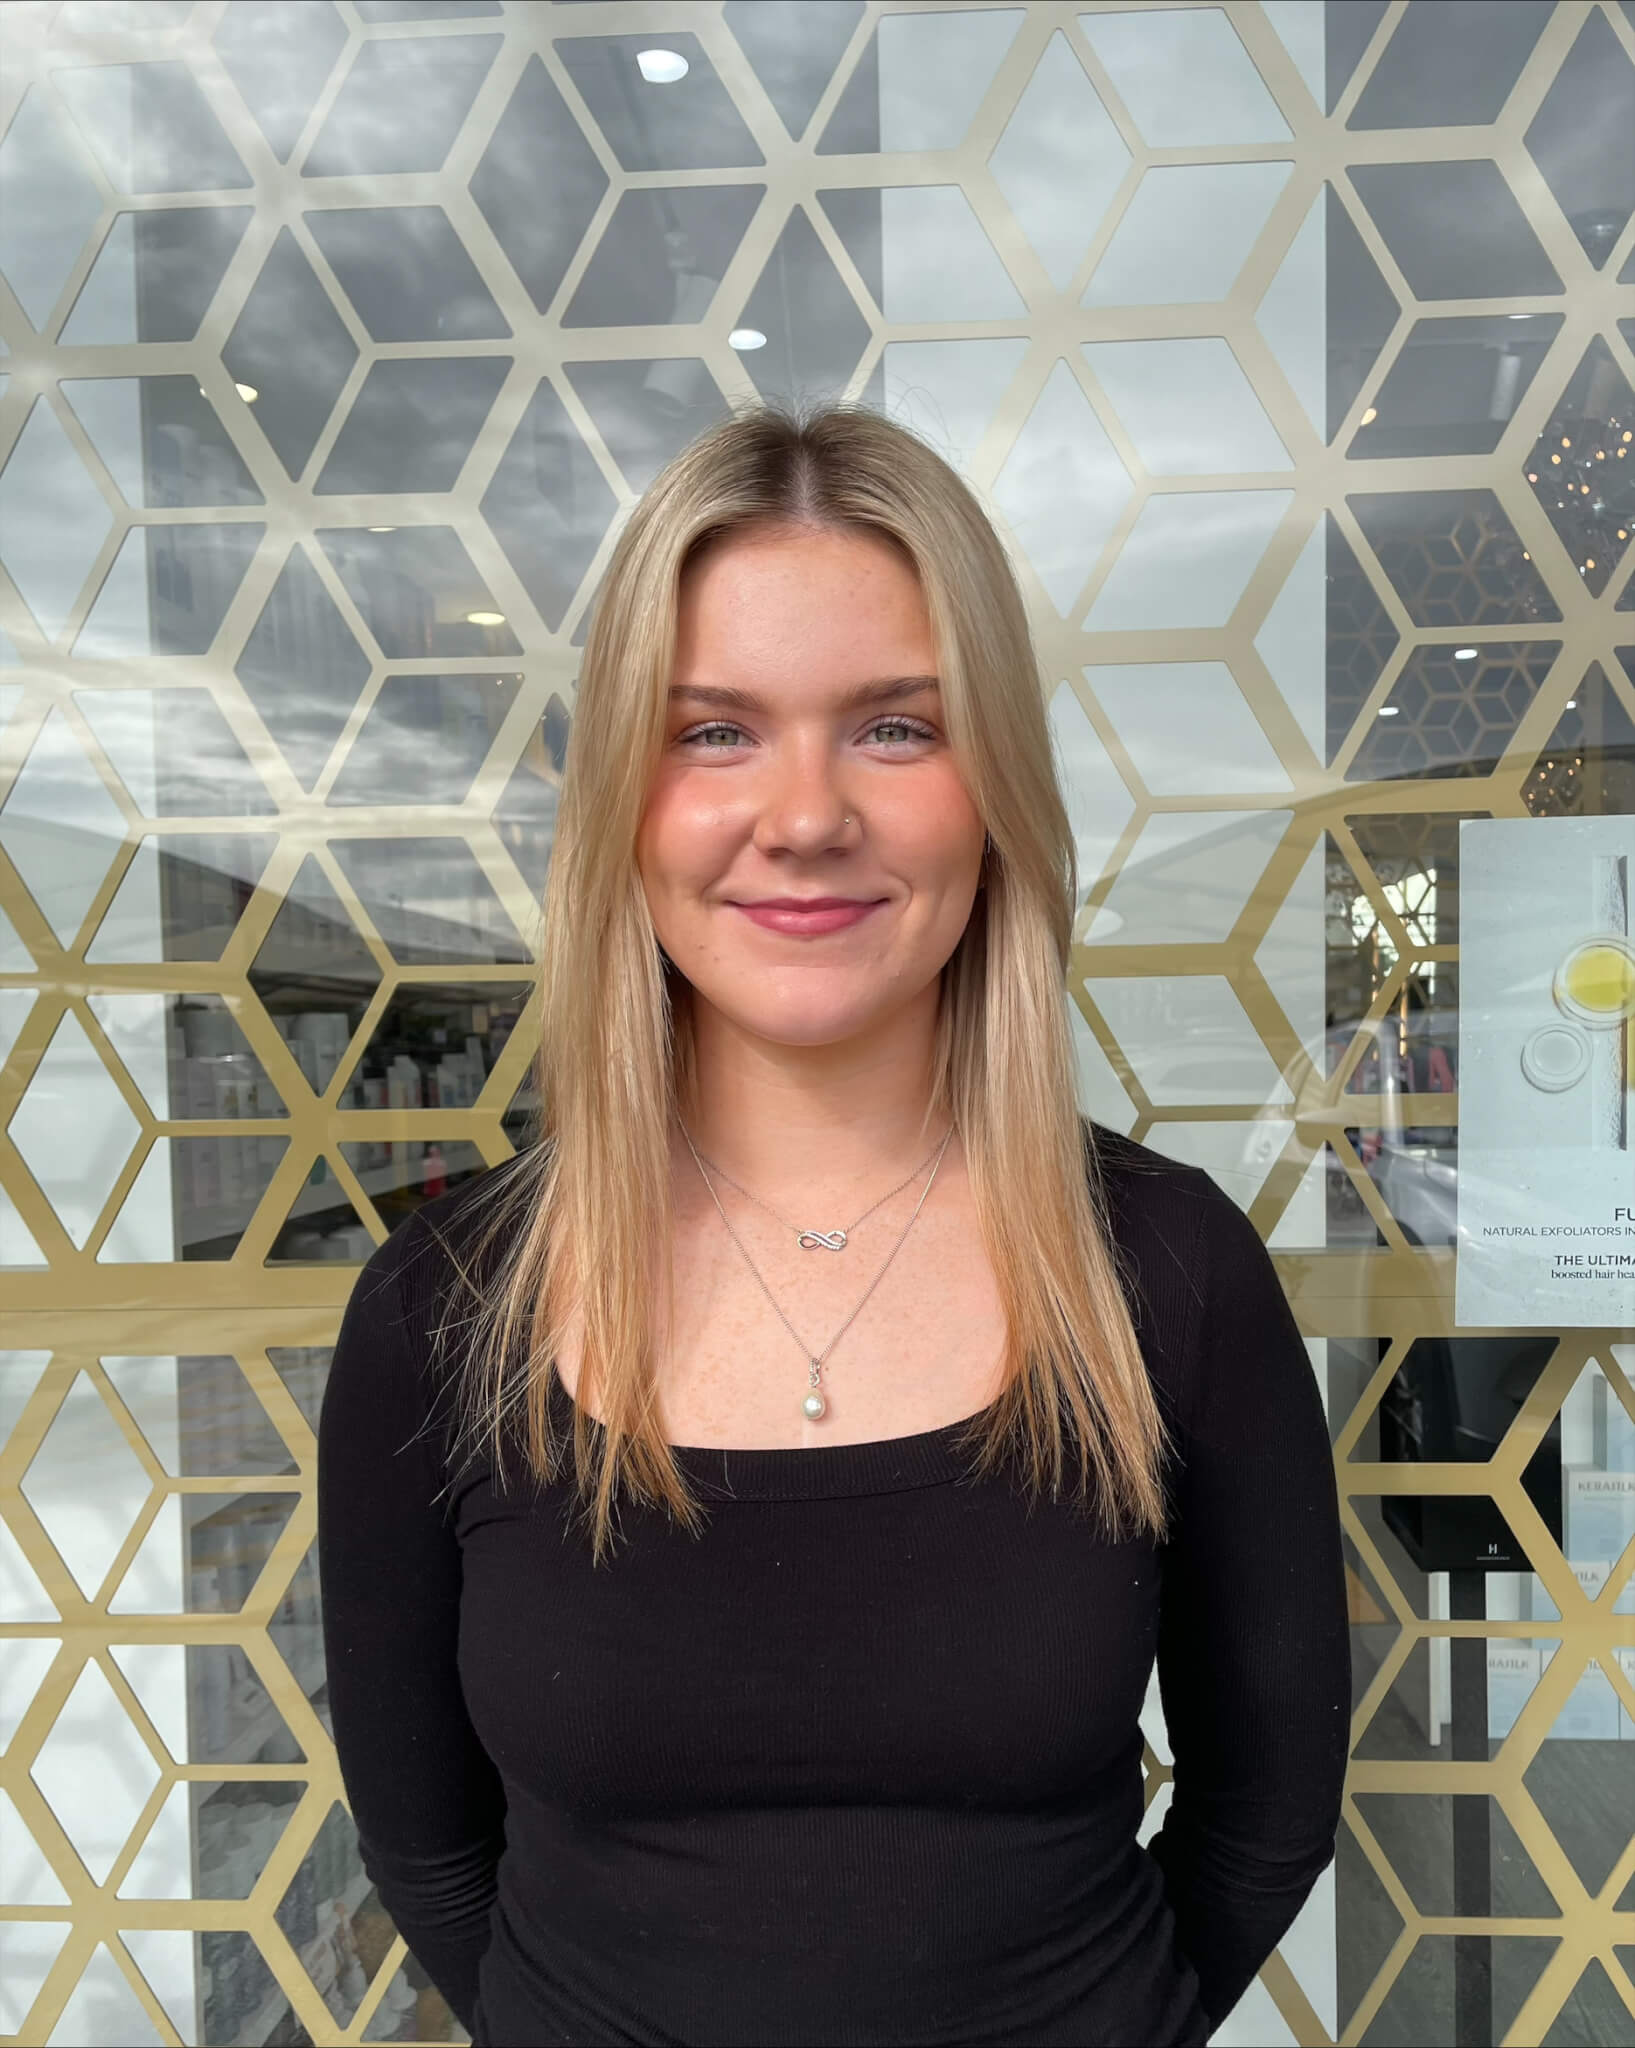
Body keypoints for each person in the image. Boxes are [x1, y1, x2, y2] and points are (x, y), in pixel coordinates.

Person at [318, 400, 1351, 2047]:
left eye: (895, 727)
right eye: (714, 732)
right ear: (622, 799)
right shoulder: (443, 1313)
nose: (804, 817)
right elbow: (430, 1853)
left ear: (995, 785)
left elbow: (1268, 1815)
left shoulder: (1168, 1273)